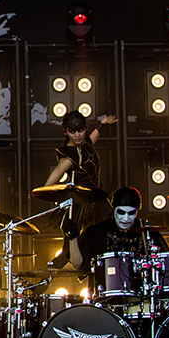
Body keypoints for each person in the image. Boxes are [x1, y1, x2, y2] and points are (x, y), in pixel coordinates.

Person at [44, 111, 117, 267]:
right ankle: (41, 282)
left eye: (81, 130)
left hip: (97, 202)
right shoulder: (68, 158)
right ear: (65, 131)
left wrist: (102, 124)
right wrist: (66, 196)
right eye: (72, 131)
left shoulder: (84, 144)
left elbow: (90, 142)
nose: (77, 135)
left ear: (85, 128)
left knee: (105, 241)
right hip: (79, 208)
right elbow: (47, 187)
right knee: (70, 251)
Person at [64, 186, 168, 272]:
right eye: (121, 212)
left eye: (131, 213)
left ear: (137, 212)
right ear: (114, 210)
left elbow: (167, 265)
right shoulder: (97, 231)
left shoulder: (148, 232)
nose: (126, 218)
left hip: (140, 293)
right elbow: (78, 266)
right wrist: (73, 238)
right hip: (105, 293)